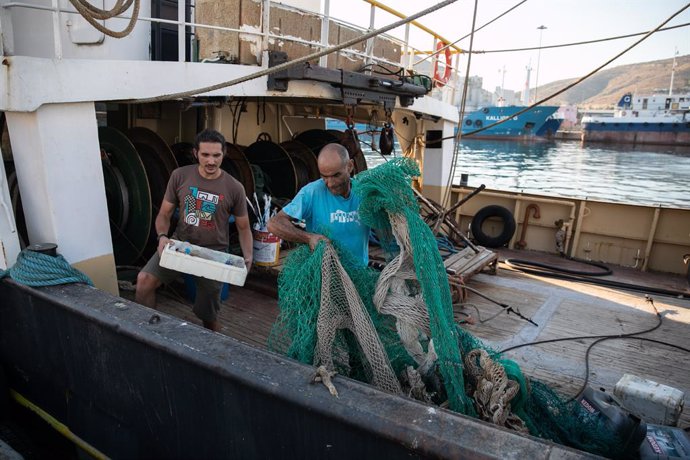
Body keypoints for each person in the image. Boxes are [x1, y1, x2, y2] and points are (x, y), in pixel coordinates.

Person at [135, 129, 253, 332]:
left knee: (209, 318)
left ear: (224, 154)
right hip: (179, 244)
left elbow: (244, 227)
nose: (211, 161)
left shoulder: (235, 188)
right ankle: (145, 333)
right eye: (205, 155)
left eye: (216, 155)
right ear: (195, 153)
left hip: (213, 253)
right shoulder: (179, 176)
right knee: (143, 281)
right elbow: (164, 214)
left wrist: (249, 256)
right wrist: (162, 236)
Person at [267, 143, 369, 266]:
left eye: (336, 175)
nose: (330, 184)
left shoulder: (365, 192)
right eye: (324, 176)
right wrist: (308, 237)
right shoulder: (312, 192)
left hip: (360, 274)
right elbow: (274, 224)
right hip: (323, 274)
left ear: (350, 166)